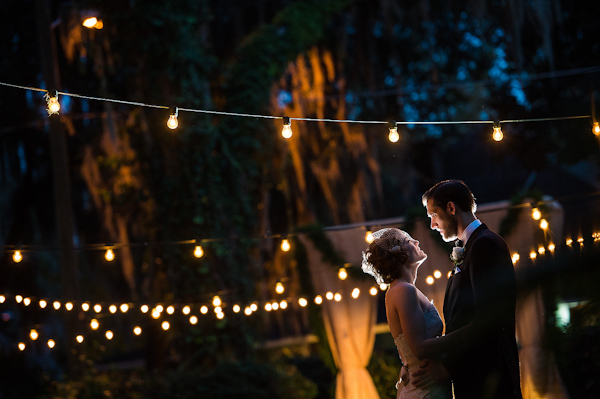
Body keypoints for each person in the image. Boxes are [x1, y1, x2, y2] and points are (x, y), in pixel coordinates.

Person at [422, 179, 523, 399]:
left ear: (451, 208)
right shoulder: (472, 246)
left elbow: (488, 321)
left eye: (433, 215)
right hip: (476, 376)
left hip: (489, 378)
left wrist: (444, 362)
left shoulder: (485, 245)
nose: (432, 225)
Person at [362, 228, 464, 399]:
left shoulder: (405, 289)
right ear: (399, 254)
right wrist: (467, 333)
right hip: (424, 388)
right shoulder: (403, 290)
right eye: (408, 241)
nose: (416, 241)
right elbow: (419, 348)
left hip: (428, 382)